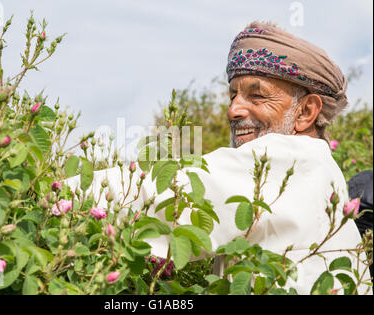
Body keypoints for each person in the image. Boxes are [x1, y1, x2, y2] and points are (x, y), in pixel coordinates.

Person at [65, 21, 372, 294]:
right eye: (233, 95)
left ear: (306, 112)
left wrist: (48, 193)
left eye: (257, 95)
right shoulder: (319, 167)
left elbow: (167, 198)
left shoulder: (290, 159)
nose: (233, 109)